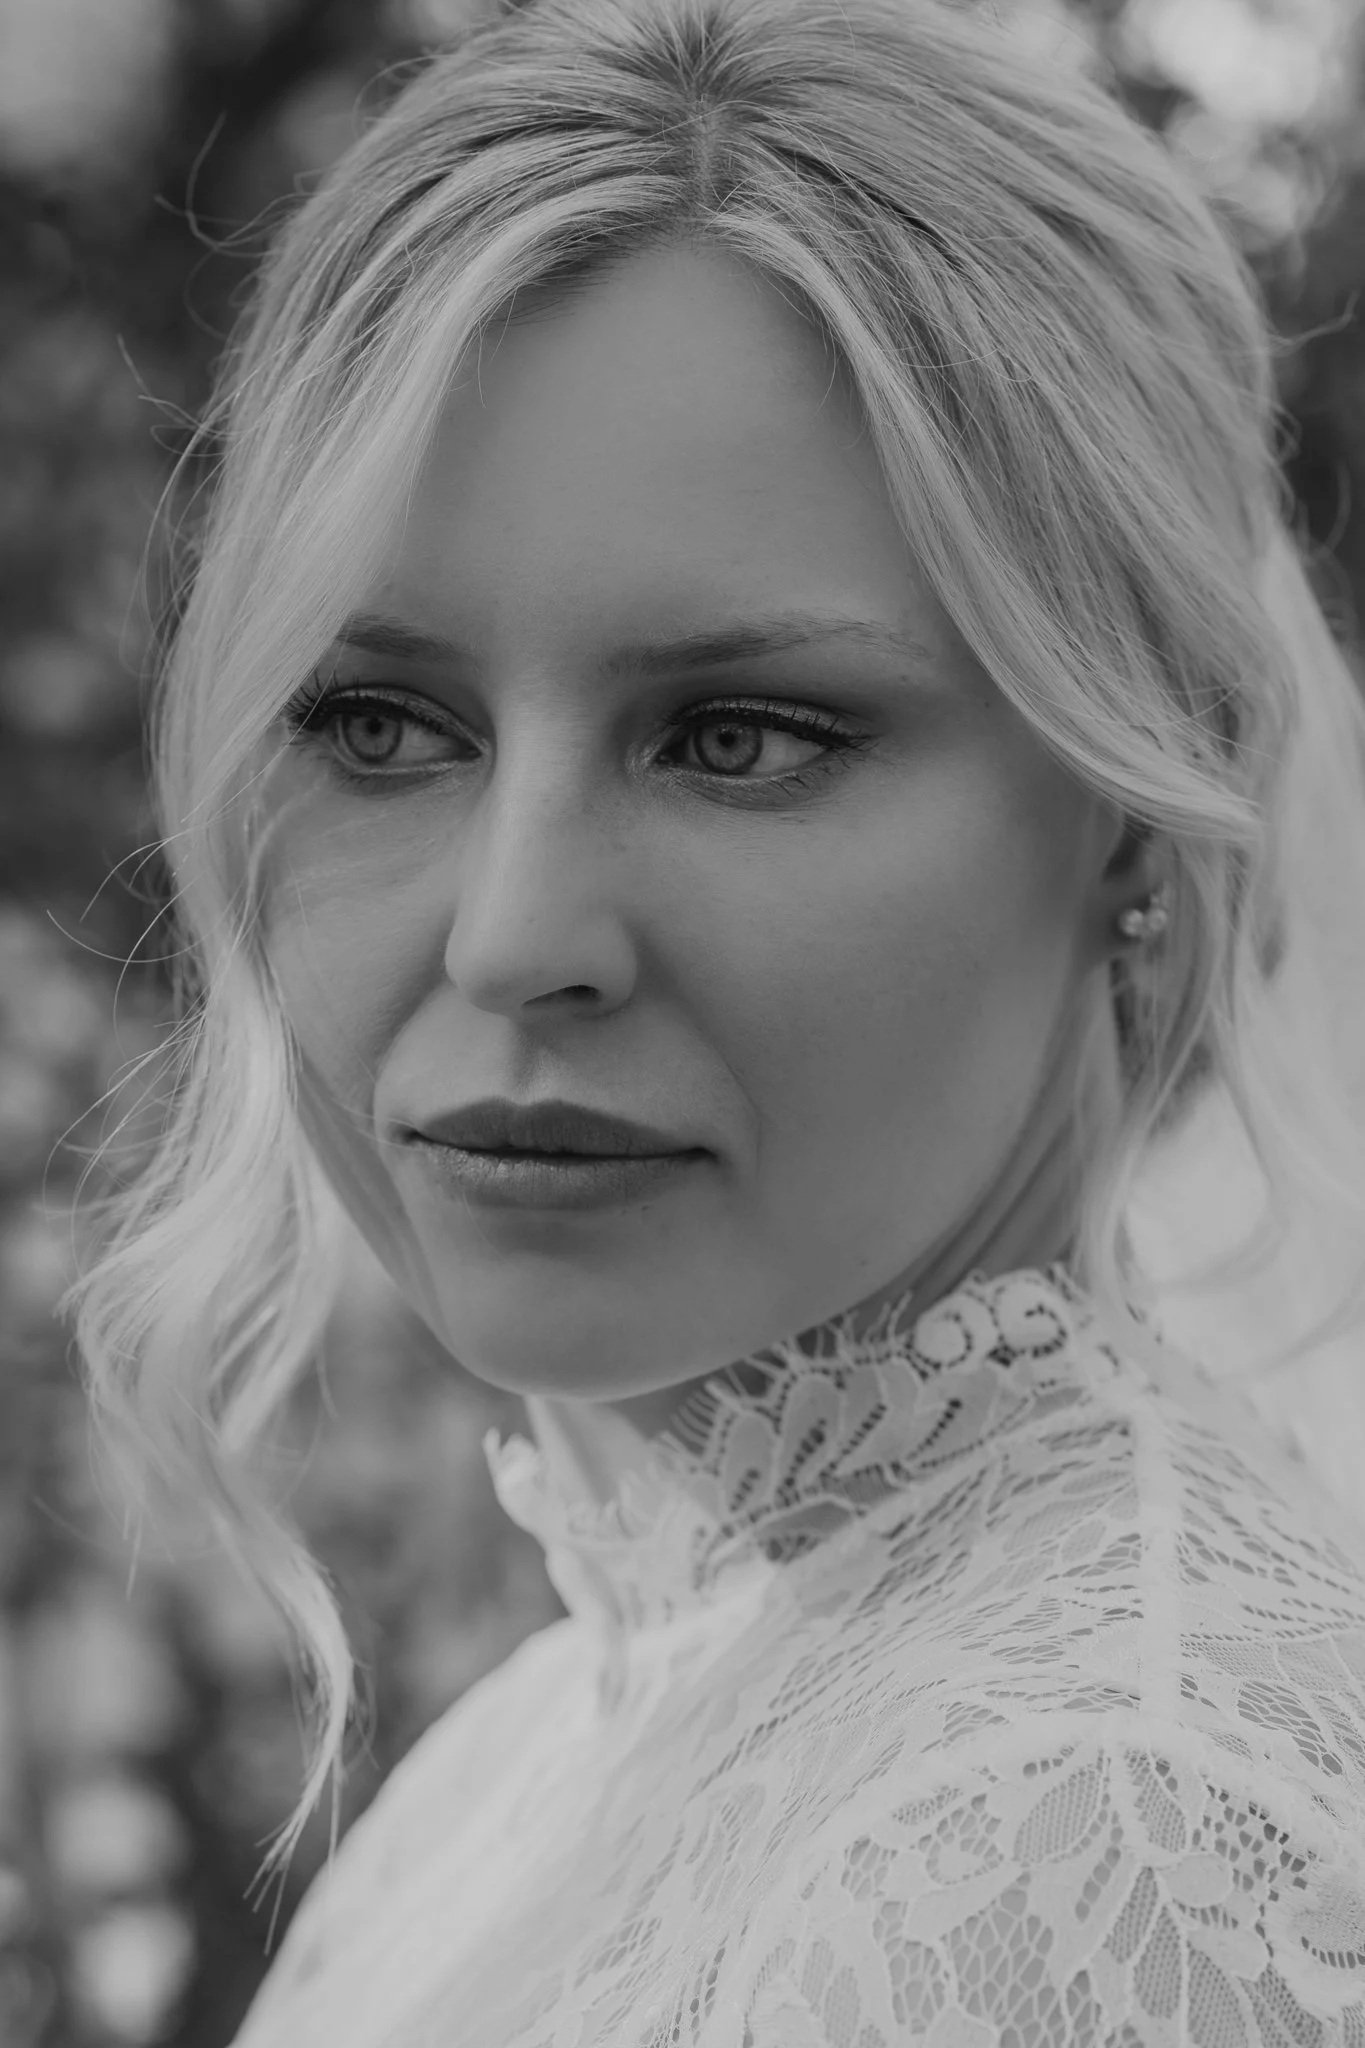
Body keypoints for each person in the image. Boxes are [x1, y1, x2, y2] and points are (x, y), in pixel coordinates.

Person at [62, 0, 1365, 2040]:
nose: (511, 936)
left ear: (1128, 806)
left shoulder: (1111, 1830)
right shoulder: (564, 1733)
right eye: (381, 723)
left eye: (739, 736)